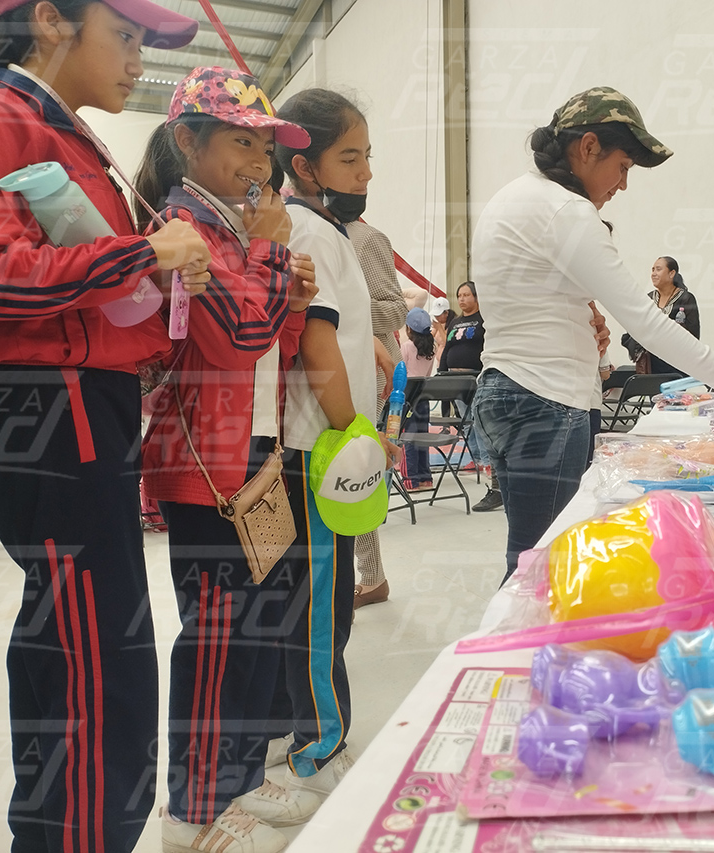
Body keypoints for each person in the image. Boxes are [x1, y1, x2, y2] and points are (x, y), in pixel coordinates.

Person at [0, 0, 210, 849]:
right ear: (49, 20)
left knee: (79, 637)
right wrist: (145, 254)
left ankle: (62, 834)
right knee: (93, 650)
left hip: (84, 396)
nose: (136, 59)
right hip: (50, 400)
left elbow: (99, 293)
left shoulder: (66, 132)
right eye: (125, 36)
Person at [135, 66, 319, 852]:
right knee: (215, 640)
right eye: (241, 140)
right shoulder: (185, 231)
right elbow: (234, 341)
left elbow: (266, 347)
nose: (259, 161)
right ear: (188, 141)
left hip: (247, 453)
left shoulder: (235, 235)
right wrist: (274, 259)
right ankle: (195, 811)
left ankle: (238, 781)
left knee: (249, 632)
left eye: (266, 145)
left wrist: (290, 293)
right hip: (204, 464)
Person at [471, 86, 714, 583]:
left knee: (529, 557)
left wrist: (583, 319)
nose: (623, 184)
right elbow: (646, 323)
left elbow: (534, 298)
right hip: (547, 400)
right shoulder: (567, 210)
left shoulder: (512, 197)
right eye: (622, 166)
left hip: (506, 391)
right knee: (541, 570)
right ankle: (515, 658)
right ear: (587, 148)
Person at [270, 87, 399, 799]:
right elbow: (316, 337)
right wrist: (355, 430)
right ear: (306, 165)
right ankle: (318, 741)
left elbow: (340, 328)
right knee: (323, 603)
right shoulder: (311, 230)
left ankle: (307, 723)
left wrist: (373, 349)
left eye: (367, 156)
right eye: (350, 158)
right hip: (319, 449)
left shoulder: (326, 228)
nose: (366, 172)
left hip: (326, 443)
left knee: (324, 596)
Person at [345, 185, 407, 607]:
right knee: (349, 476)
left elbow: (396, 308)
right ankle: (371, 575)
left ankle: (370, 576)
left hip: (372, 377)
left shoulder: (366, 239)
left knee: (358, 473)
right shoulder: (306, 228)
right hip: (333, 370)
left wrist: (337, 312)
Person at [440, 280, 501, 511]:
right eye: (460, 295)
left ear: (476, 298)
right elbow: (447, 347)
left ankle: (487, 462)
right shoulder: (455, 322)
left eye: (467, 295)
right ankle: (475, 458)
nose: (463, 299)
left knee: (480, 422)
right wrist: (442, 371)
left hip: (476, 377)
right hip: (454, 378)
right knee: (466, 422)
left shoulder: (483, 319)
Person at [621, 256, 701, 375]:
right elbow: (634, 328)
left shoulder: (686, 298)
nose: (653, 274)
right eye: (652, 270)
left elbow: (693, 334)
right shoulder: (648, 299)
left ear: (671, 273)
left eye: (658, 269)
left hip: (677, 365)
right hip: (651, 365)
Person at [400, 307, 437, 490]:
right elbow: (428, 374)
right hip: (424, 397)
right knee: (422, 438)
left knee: (409, 438)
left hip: (409, 398)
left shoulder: (406, 347)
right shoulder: (431, 348)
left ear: (408, 328)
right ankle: (425, 478)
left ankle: (410, 480)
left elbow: (401, 373)